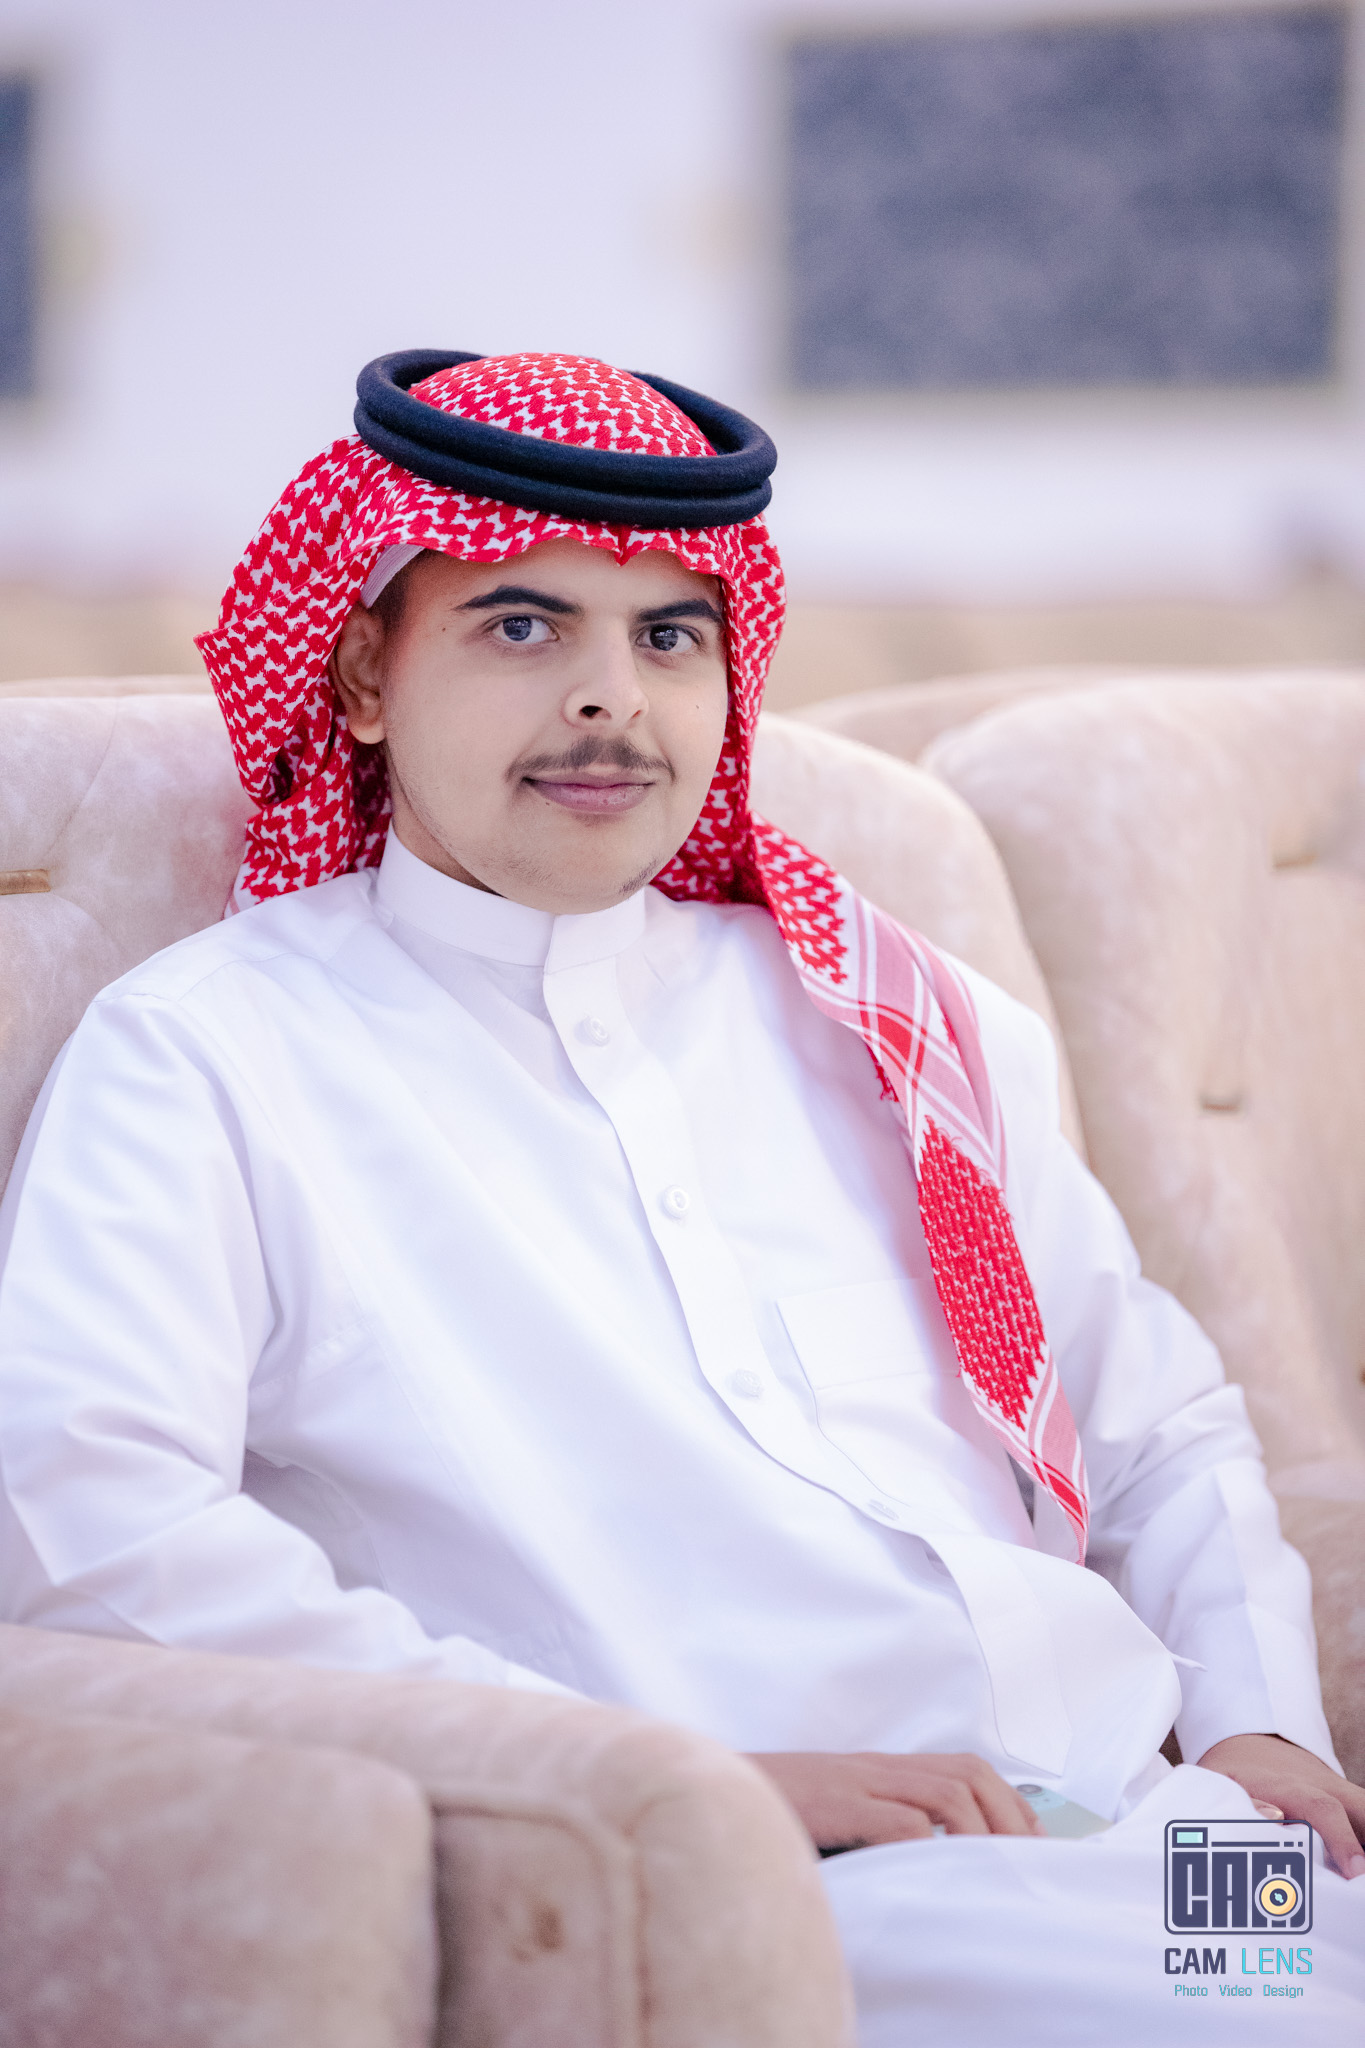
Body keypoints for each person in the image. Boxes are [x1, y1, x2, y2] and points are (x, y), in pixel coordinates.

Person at [0, 349, 1360, 2040]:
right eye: (520, 625)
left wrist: (1258, 1723)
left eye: (667, 635)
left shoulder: (885, 1012)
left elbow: (1151, 1419)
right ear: (359, 677)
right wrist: (669, 1783)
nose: (608, 698)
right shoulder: (214, 1057)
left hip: (1162, 1838)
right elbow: (97, 1532)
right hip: (786, 1895)